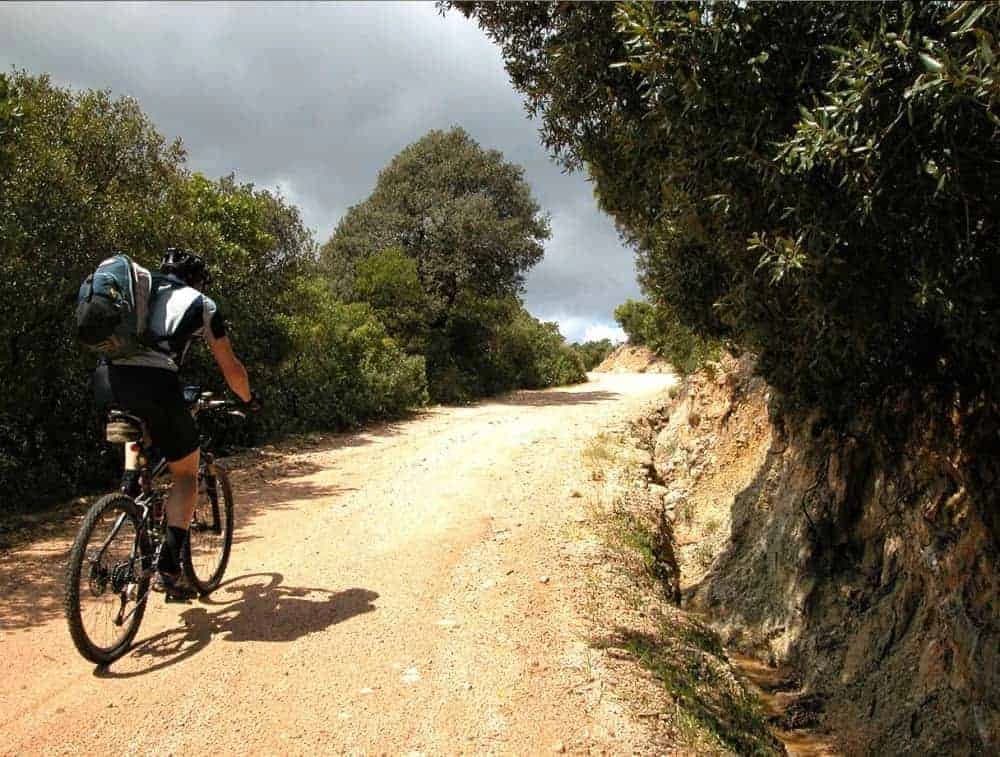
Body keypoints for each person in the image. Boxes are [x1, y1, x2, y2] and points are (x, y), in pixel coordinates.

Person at [93, 248, 253, 600]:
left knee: (137, 429)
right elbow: (230, 367)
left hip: (108, 380)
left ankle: (131, 483)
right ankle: (168, 566)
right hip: (156, 384)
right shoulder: (202, 303)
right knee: (186, 474)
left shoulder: (138, 291)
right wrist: (247, 398)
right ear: (197, 279)